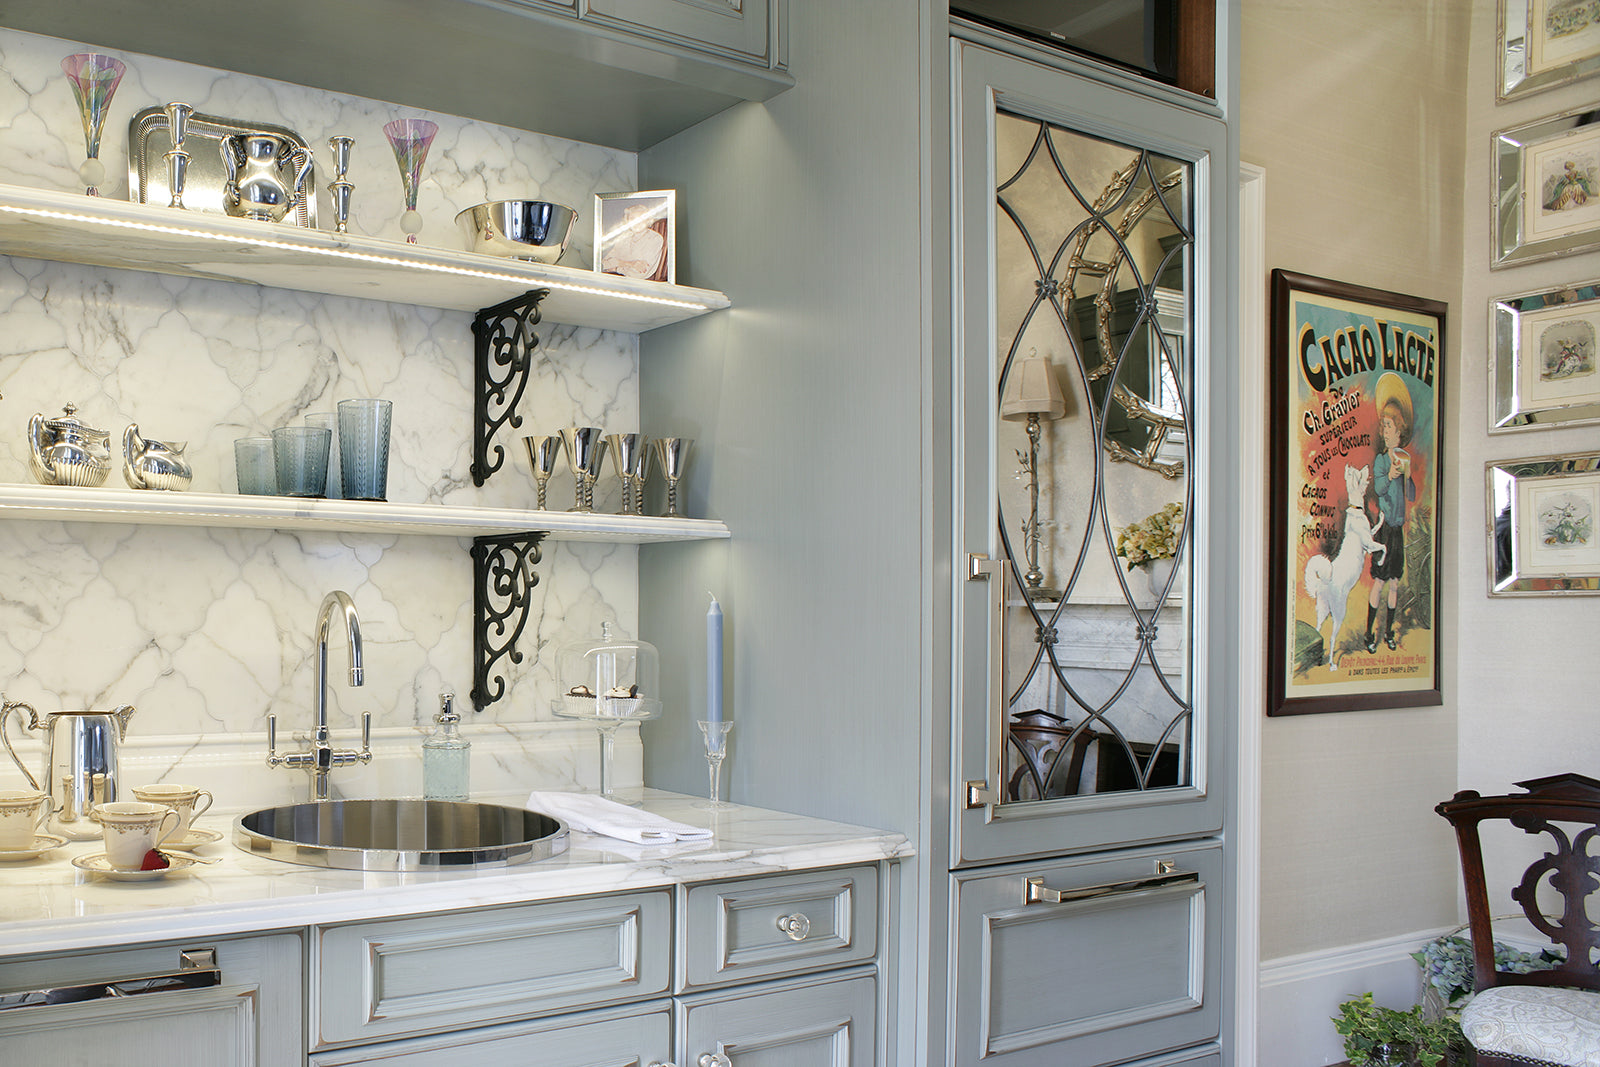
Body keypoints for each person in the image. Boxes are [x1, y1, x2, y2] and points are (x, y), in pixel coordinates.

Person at [1364, 372, 1417, 654]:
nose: (1384, 431)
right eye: (1383, 426)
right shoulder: (1382, 460)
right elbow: (1380, 489)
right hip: (1384, 529)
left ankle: (1388, 633)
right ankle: (1368, 633)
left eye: (1389, 426)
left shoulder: (1404, 459)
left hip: (1397, 530)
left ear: (1399, 431)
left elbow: (1411, 495)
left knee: (1394, 583)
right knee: (1380, 580)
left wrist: (1407, 477)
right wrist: (1392, 475)